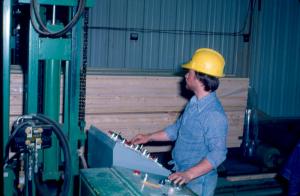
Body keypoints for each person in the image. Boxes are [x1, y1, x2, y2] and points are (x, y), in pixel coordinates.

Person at [130, 48, 228, 195]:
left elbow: (218, 153)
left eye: (190, 72)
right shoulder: (194, 103)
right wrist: (148, 137)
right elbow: (176, 130)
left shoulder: (213, 114)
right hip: (182, 174)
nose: (186, 76)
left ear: (200, 78)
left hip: (197, 182)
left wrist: (189, 174)